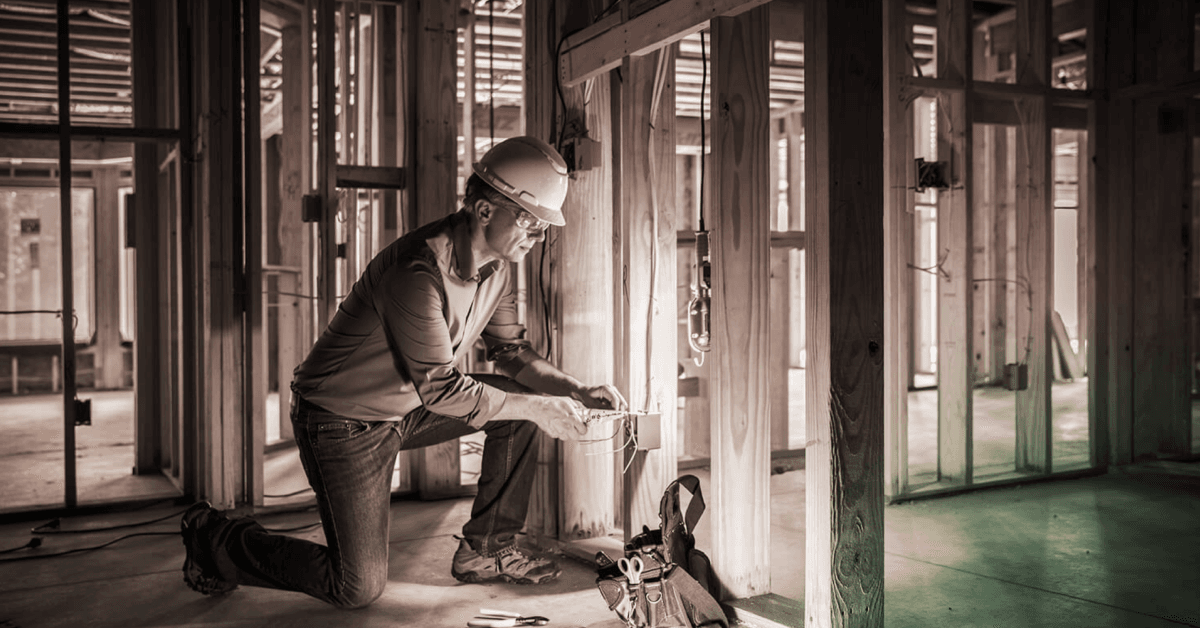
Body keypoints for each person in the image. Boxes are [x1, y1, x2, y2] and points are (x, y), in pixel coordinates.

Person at [180, 136, 627, 609]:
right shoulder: (417, 272)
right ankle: (219, 539)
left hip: (405, 409)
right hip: (339, 422)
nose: (537, 237)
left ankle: (486, 550)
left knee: (517, 406)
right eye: (529, 222)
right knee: (355, 586)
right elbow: (441, 388)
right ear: (483, 210)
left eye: (542, 227)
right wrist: (539, 407)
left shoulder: (497, 269)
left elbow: (512, 353)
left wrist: (575, 391)